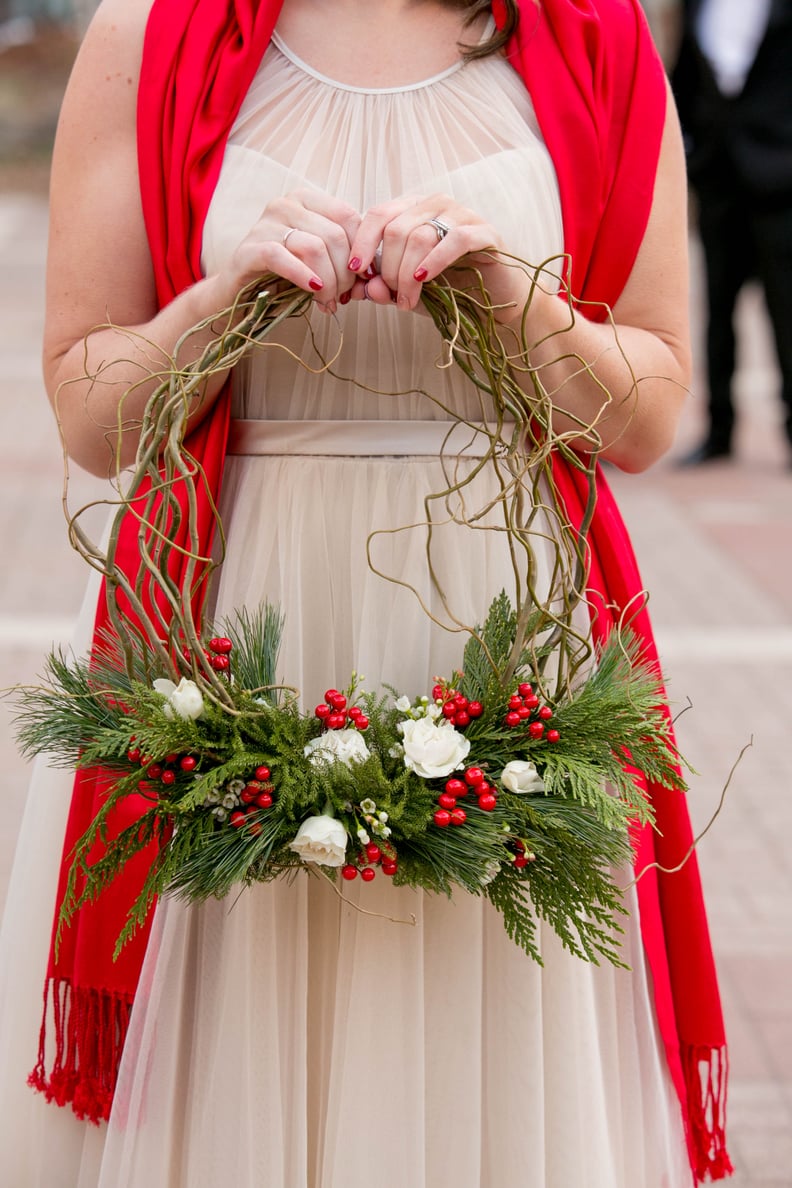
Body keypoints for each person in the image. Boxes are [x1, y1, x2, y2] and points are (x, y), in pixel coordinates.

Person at [0, 0, 732, 1184]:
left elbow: (646, 415)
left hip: (504, 625)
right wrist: (223, 300)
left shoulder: (594, 36)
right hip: (233, 621)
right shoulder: (147, 35)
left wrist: (510, 293)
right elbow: (92, 414)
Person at [672, 0, 792, 465]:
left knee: (786, 310)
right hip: (717, 176)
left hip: (781, 180)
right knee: (715, 309)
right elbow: (685, 74)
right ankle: (718, 431)